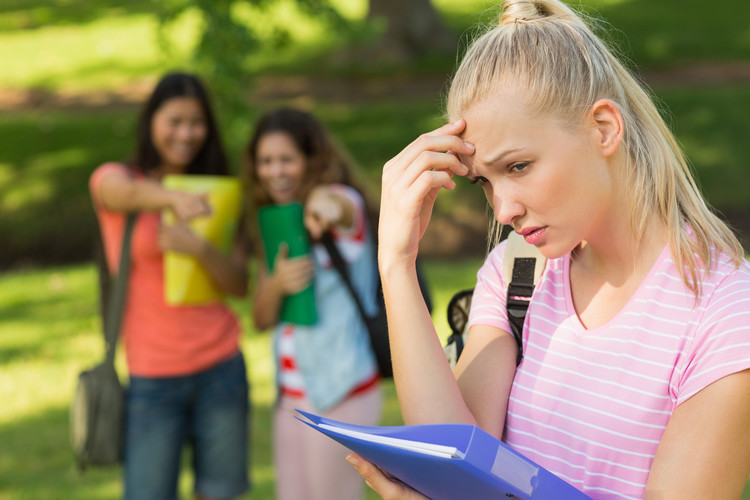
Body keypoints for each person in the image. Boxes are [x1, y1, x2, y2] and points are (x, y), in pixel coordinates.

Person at [345, 1, 750, 498]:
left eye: (517, 167)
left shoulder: (726, 314)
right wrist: (396, 263)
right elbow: (458, 460)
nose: (503, 210)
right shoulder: (519, 272)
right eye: (483, 182)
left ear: (603, 128)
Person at [89, 72, 250, 500]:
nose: (186, 133)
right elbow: (113, 191)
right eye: (174, 120)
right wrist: (172, 199)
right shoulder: (121, 179)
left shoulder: (217, 189)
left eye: (196, 122)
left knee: (220, 493)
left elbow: (239, 284)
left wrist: (198, 247)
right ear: (151, 120)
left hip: (221, 367)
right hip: (153, 376)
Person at [245, 107, 383, 500]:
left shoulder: (342, 204)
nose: (276, 171)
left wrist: (322, 206)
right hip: (290, 394)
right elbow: (260, 318)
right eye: (266, 161)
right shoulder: (276, 222)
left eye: (287, 159)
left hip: (341, 392)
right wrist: (276, 284)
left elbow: (338, 205)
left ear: (311, 159)